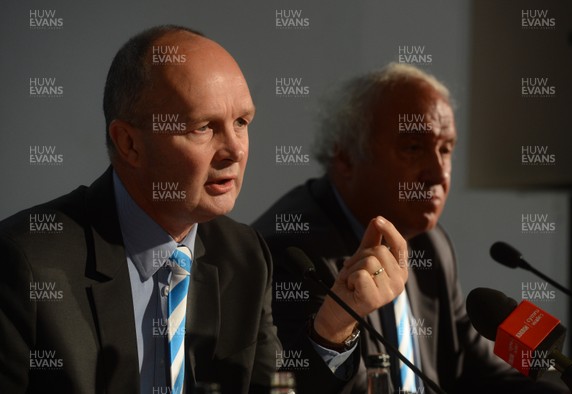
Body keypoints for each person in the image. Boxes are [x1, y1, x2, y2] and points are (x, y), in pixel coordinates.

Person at [0, 26, 407, 394]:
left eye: (242, 122)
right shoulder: (28, 262)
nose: (235, 150)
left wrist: (334, 325)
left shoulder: (243, 255)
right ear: (129, 144)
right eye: (203, 127)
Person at [253, 64, 568, 393]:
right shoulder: (291, 252)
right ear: (345, 157)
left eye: (445, 149)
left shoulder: (430, 243)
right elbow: (309, 385)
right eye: (413, 147)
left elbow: (478, 373)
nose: (438, 173)